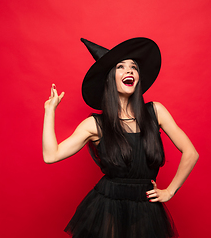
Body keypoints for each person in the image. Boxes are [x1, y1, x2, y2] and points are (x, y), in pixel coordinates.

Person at [43, 37, 199, 238]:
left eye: (134, 67)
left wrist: (170, 191)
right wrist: (50, 111)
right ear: (110, 78)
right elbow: (51, 155)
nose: (130, 71)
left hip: (145, 207)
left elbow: (191, 153)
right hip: (108, 205)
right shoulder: (95, 125)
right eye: (121, 67)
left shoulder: (156, 112)